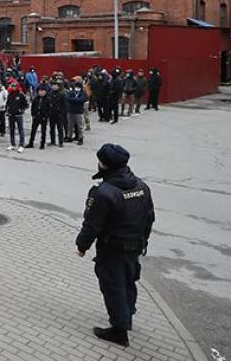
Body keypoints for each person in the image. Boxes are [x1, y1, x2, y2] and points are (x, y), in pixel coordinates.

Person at [75, 144, 155, 347]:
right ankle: (127, 314)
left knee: (113, 287)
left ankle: (119, 331)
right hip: (134, 246)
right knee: (128, 281)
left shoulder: (103, 192)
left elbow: (92, 224)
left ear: (105, 165)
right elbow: (149, 217)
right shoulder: (141, 187)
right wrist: (143, 241)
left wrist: (82, 246)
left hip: (112, 248)